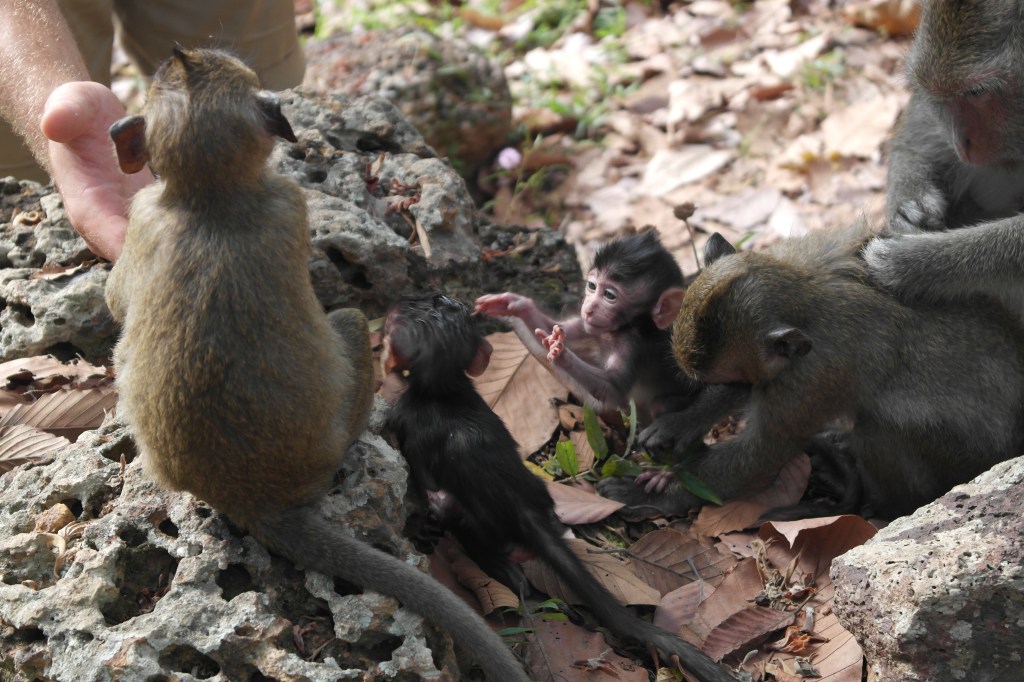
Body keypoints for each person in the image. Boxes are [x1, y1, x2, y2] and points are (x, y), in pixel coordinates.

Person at [0, 0, 304, 260]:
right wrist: (43, 92)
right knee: (32, 182)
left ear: (132, 144)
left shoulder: (145, 219)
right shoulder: (289, 205)